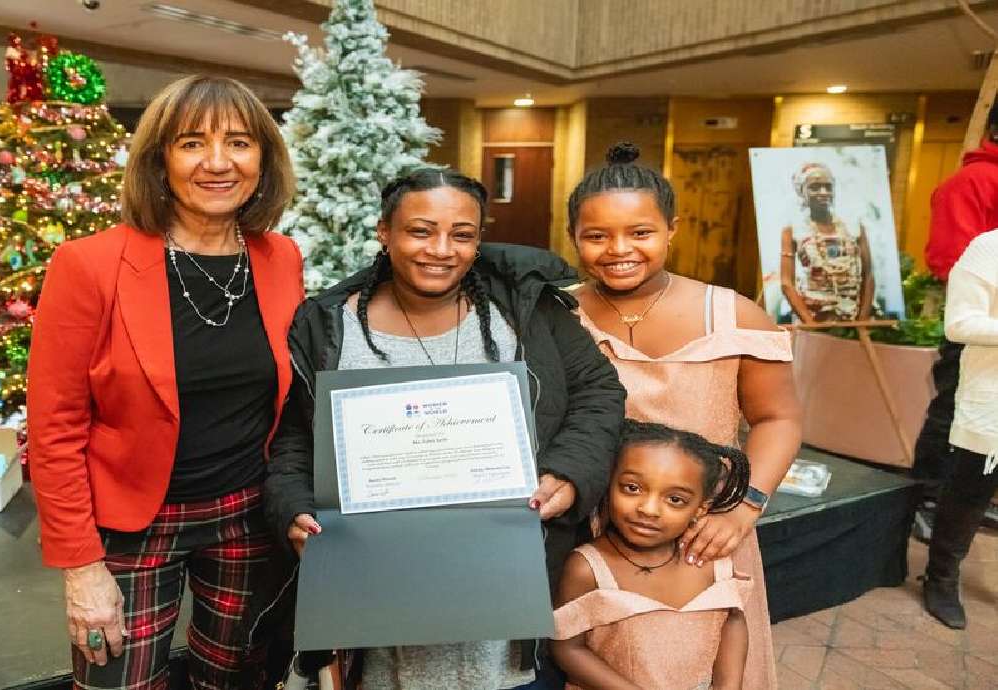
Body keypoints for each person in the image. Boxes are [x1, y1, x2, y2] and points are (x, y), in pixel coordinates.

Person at [265, 167, 627, 690]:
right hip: (374, 598)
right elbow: (297, 436)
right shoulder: (327, 325)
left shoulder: (523, 310)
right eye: (420, 231)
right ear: (384, 232)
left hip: (507, 596)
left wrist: (569, 472)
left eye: (462, 234)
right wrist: (293, 507)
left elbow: (598, 391)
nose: (441, 250)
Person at [27, 75, 303, 690]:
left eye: (238, 142)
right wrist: (81, 567)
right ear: (160, 160)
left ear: (263, 159)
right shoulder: (88, 264)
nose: (217, 162)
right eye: (191, 143)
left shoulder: (280, 257)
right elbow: (54, 429)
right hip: (130, 526)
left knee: (235, 680)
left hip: (247, 517)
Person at [568, 143, 801, 689]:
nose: (619, 250)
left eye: (640, 233)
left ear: (672, 230)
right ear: (573, 236)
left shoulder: (734, 316)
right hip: (596, 531)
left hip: (706, 528)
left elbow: (779, 419)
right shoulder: (559, 314)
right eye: (597, 236)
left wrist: (744, 508)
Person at [552, 419, 752, 690]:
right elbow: (567, 648)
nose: (648, 509)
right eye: (632, 488)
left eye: (675, 499)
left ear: (700, 509)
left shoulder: (709, 559)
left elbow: (733, 619)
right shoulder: (587, 568)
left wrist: (729, 685)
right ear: (609, 486)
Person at [913, 101, 998, 539]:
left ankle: (968, 503)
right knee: (951, 414)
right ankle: (927, 502)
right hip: (977, 324)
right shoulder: (972, 181)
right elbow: (952, 258)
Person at [921, 229, 998, 629]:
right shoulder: (988, 248)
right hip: (991, 399)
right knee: (970, 490)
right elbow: (959, 324)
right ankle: (941, 579)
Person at [778, 162, 875, 323]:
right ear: (802, 191)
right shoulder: (793, 230)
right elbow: (786, 283)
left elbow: (869, 274)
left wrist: (862, 322)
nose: (823, 192)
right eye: (814, 187)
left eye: (828, 187)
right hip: (812, 319)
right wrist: (810, 324)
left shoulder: (854, 228)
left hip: (851, 320)